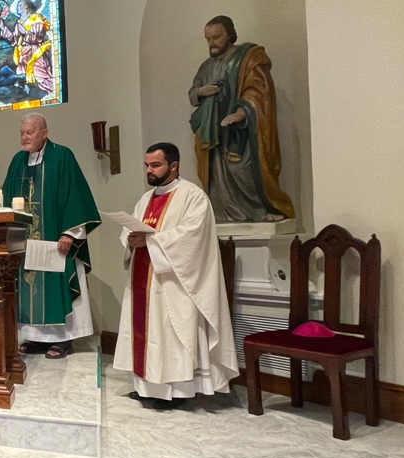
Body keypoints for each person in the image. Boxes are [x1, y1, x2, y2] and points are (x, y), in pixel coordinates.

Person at [113, 142, 239, 407]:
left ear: (174, 165)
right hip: (144, 280)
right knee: (147, 333)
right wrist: (130, 239)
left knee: (170, 333)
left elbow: (193, 237)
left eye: (155, 165)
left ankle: (177, 392)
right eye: (147, 165)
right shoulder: (145, 199)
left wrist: (151, 241)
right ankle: (147, 388)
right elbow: (131, 231)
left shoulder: (193, 196)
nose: (149, 170)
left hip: (174, 283)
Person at [2, 113, 100, 359]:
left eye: (30, 132)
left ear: (44, 132)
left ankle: (63, 339)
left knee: (57, 283)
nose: (25, 137)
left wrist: (69, 233)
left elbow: (75, 196)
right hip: (26, 242)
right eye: (22, 132)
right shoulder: (17, 161)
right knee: (29, 287)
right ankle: (36, 338)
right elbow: (5, 197)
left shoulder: (62, 156)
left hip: (56, 239)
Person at [188, 15, 295, 224]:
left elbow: (259, 90)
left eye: (216, 37)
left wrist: (241, 112)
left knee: (244, 171)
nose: (212, 43)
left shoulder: (248, 58)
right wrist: (202, 91)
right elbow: (193, 92)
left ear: (229, 34)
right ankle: (222, 213)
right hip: (214, 132)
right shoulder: (206, 66)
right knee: (217, 177)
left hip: (243, 134)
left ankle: (259, 210)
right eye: (208, 39)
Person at [0, 0, 54, 94]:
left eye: (20, 4)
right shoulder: (19, 23)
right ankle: (27, 94)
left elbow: (39, 36)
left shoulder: (37, 19)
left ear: (27, 7)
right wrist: (2, 25)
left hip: (35, 52)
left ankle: (51, 91)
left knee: (40, 75)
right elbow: (13, 39)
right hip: (23, 55)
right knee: (21, 77)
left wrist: (26, 32)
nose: (17, 6)